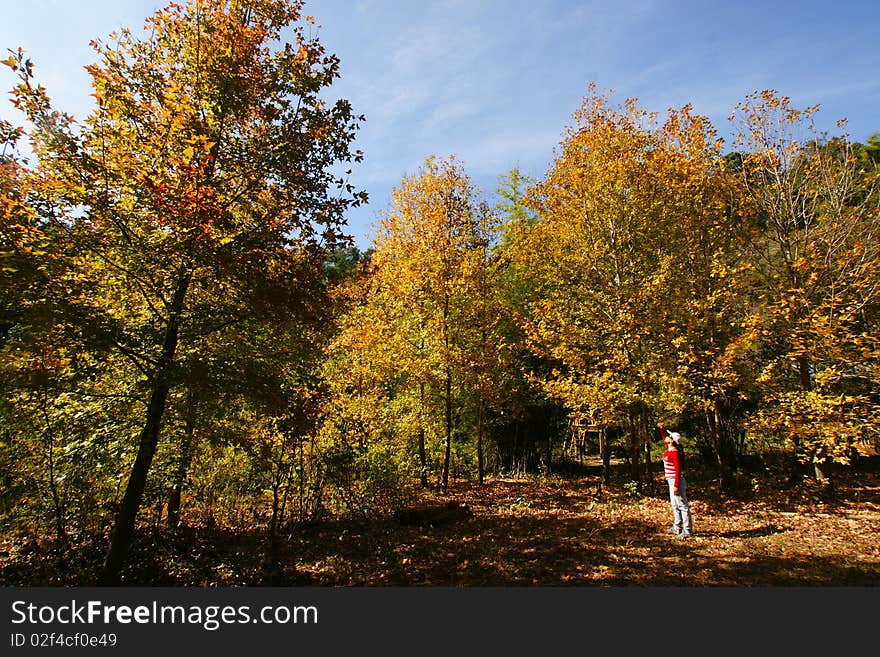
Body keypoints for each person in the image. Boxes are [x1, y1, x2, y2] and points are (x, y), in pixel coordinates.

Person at [662, 429, 693, 538]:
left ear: (671, 440)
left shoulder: (674, 452)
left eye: (669, 436)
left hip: (677, 481)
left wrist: (676, 485)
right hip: (671, 480)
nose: (666, 437)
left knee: (682, 506)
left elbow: (678, 470)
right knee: (675, 505)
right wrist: (662, 428)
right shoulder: (669, 449)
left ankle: (687, 530)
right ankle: (677, 526)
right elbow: (663, 436)